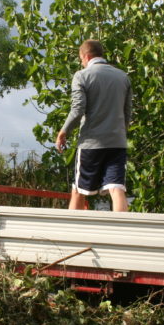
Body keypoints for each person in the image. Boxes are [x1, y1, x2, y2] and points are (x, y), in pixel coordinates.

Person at [55, 39, 132, 212]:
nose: (81, 63)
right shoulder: (123, 77)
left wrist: (63, 131)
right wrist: (120, 133)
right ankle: (122, 233)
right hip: (117, 143)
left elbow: (78, 109)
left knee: (78, 190)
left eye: (81, 59)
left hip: (91, 143)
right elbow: (127, 113)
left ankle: (72, 235)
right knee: (117, 188)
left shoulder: (82, 76)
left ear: (86, 56)